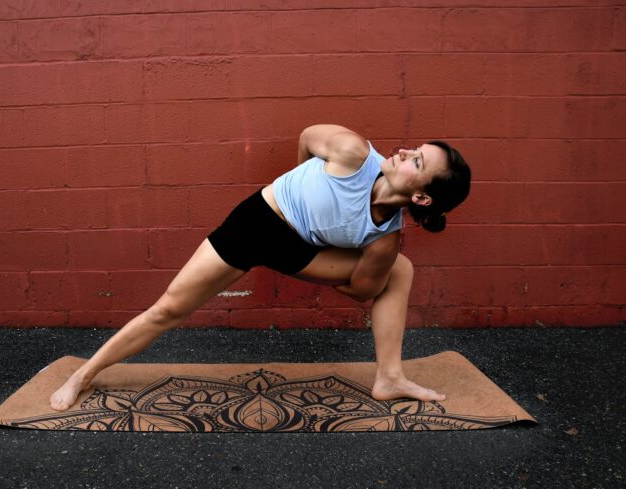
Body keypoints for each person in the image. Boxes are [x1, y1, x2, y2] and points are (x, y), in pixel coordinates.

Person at [50, 124, 471, 411]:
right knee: (168, 310)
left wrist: (318, 260)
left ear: (422, 199)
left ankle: (390, 378)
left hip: (302, 251)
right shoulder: (352, 151)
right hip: (257, 223)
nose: (403, 152)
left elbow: (363, 290)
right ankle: (84, 375)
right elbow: (307, 138)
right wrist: (302, 179)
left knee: (399, 268)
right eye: (414, 150)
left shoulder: (385, 238)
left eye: (417, 162)